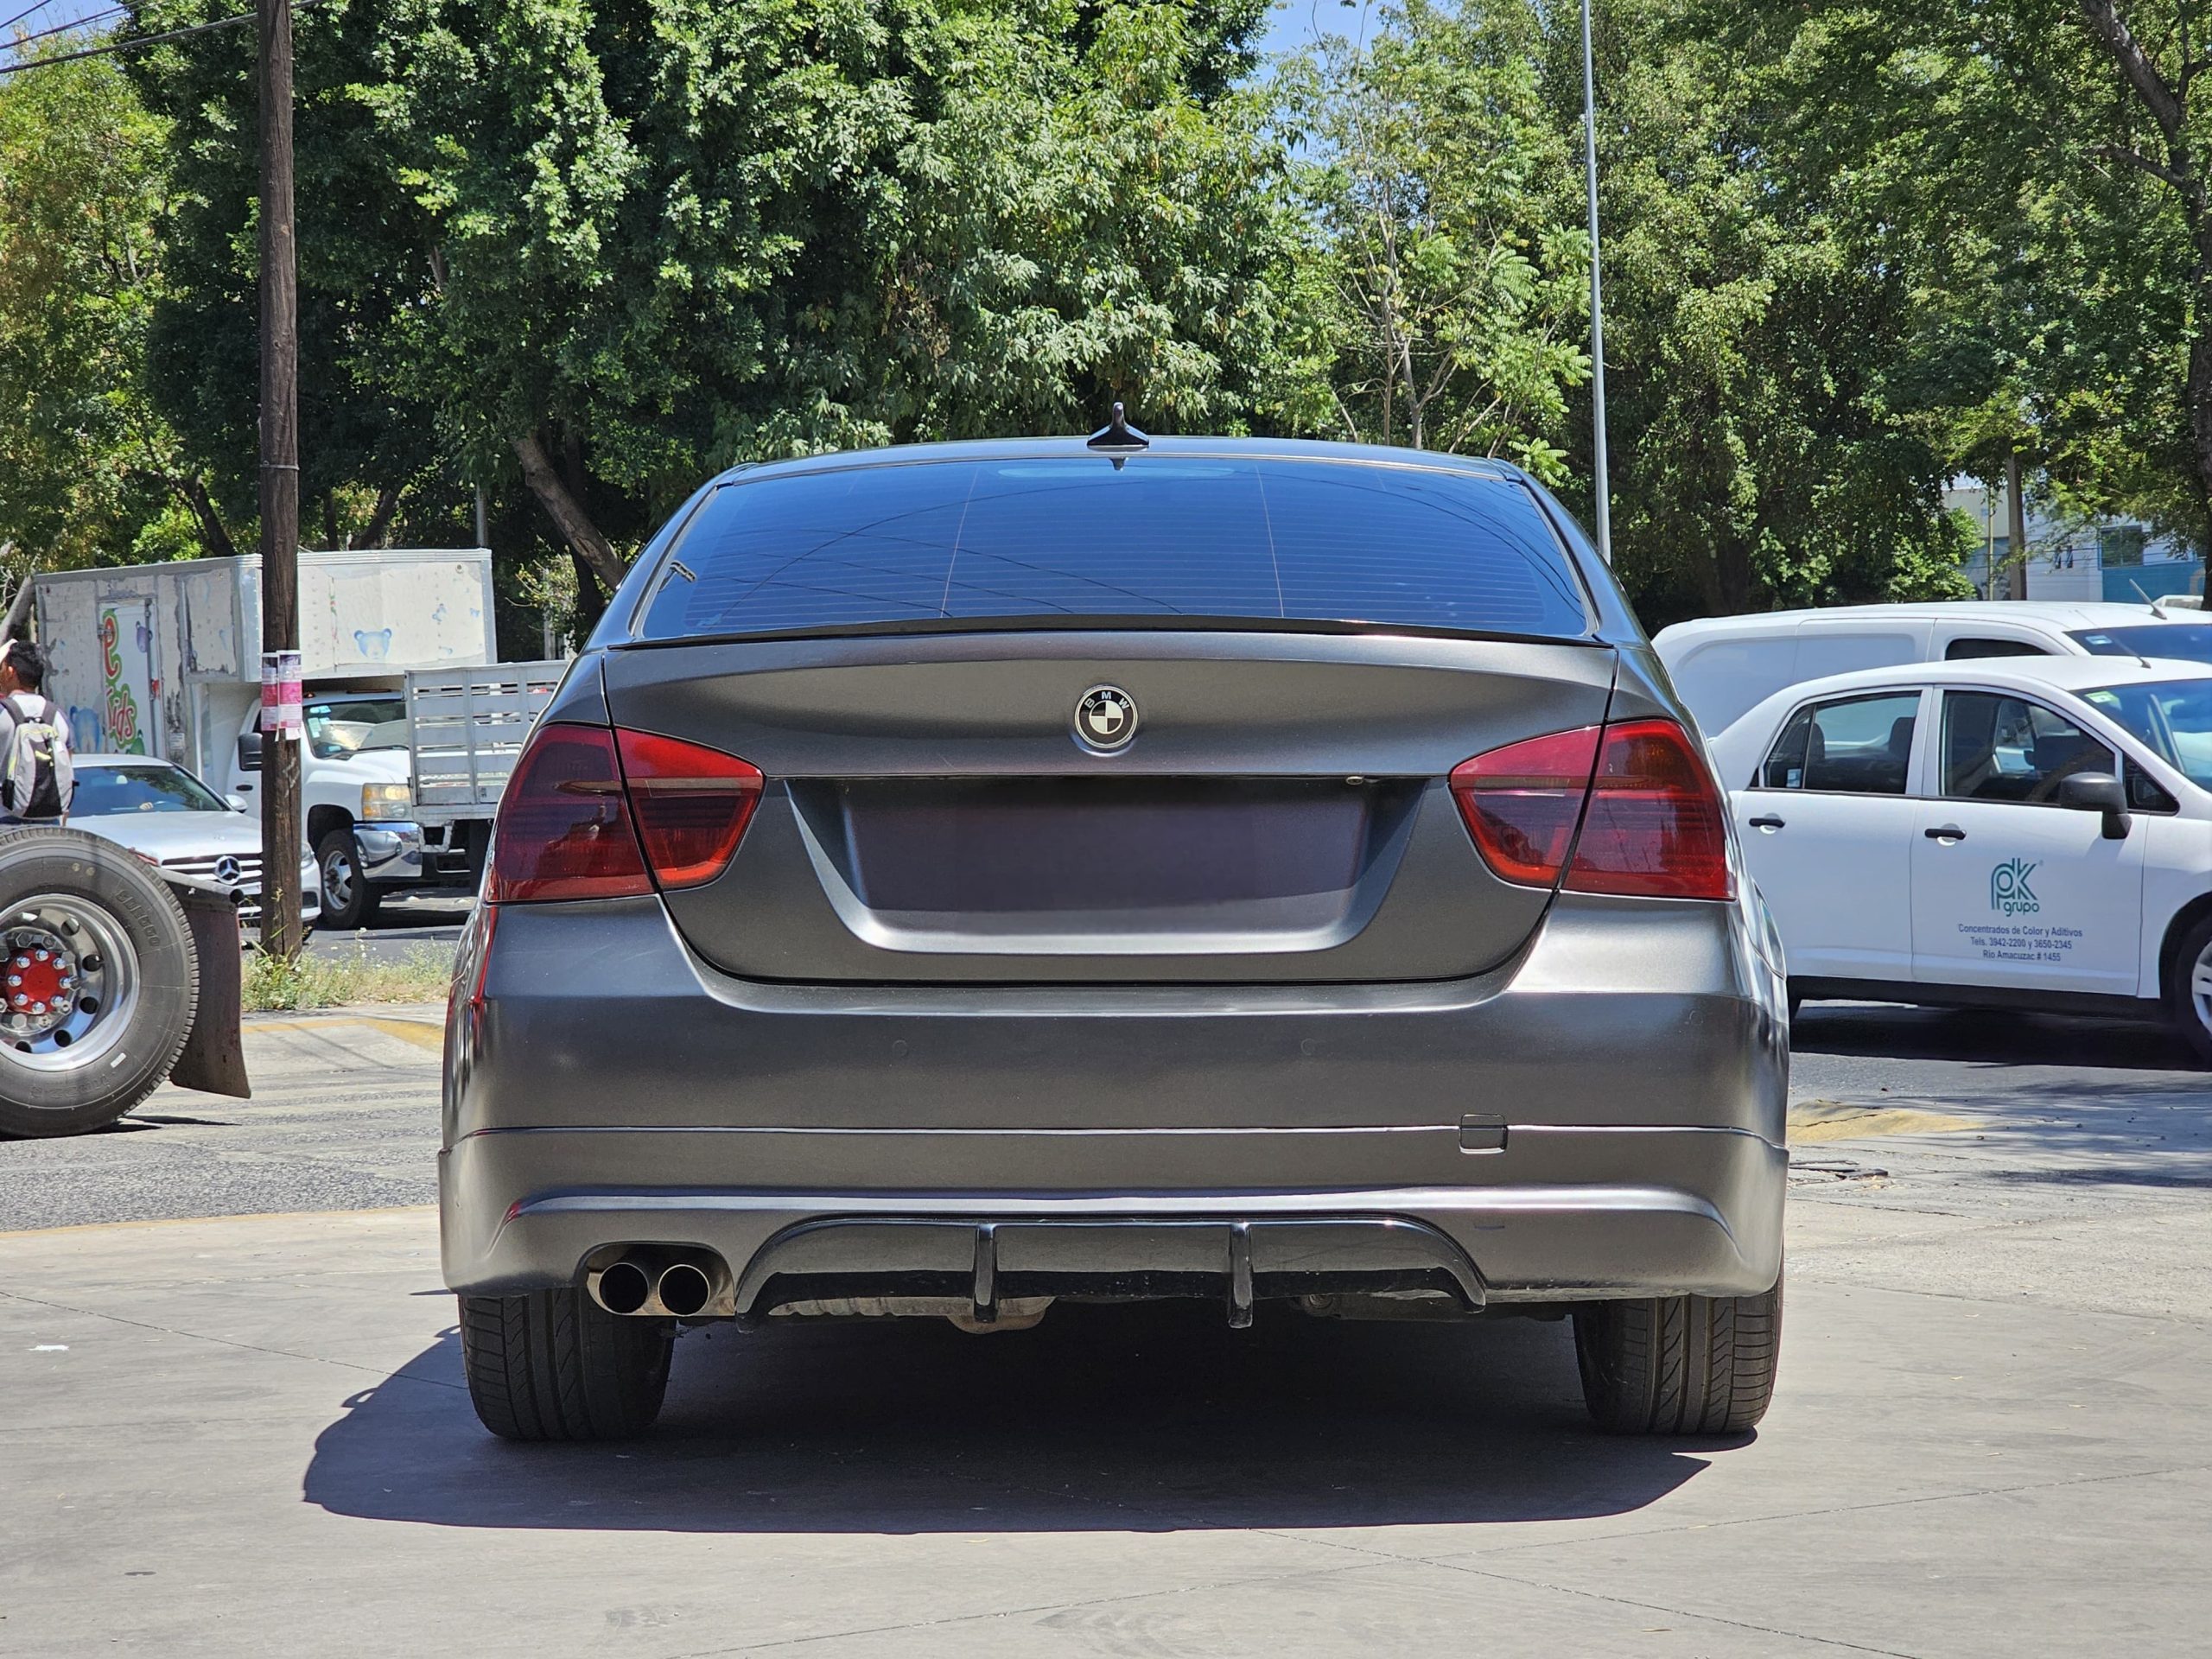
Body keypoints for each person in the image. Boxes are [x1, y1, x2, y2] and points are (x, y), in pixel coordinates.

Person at [0, 639, 73, 823]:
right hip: (48, 824)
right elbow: (67, 771)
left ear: (10, 672)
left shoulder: (2, 713)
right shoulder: (58, 716)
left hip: (5, 823)